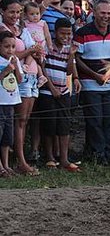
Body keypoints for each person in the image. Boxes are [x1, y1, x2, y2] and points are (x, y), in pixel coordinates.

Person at [74, 0, 110, 165]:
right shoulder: (83, 32)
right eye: (103, 13)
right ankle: (98, 155)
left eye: (109, 13)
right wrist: (94, 75)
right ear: (94, 13)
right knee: (95, 121)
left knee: (109, 120)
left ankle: (109, 153)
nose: (107, 16)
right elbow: (76, 59)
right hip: (90, 85)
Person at [1, 0, 41, 175]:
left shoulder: (21, 28)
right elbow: (11, 53)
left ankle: (17, 160)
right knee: (15, 121)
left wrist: (28, 55)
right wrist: (27, 53)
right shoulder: (2, 30)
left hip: (27, 75)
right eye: (12, 12)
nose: (15, 15)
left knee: (22, 121)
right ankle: (19, 161)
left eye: (18, 12)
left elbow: (34, 49)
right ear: (2, 11)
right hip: (9, 80)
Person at [37, 18, 81, 172]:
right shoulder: (47, 47)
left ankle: (64, 158)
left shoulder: (69, 49)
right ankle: (49, 157)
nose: (66, 37)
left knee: (64, 125)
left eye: (69, 34)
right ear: (55, 32)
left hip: (63, 90)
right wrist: (51, 88)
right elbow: (41, 69)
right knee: (49, 125)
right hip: (48, 91)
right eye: (63, 33)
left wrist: (71, 55)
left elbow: (68, 71)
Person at [0, 31, 23, 177]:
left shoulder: (14, 60)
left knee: (8, 136)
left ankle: (6, 165)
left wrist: (14, 67)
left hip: (11, 101)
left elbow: (20, 79)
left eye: (13, 46)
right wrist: (7, 70)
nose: (10, 50)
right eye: (6, 46)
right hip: (0, 102)